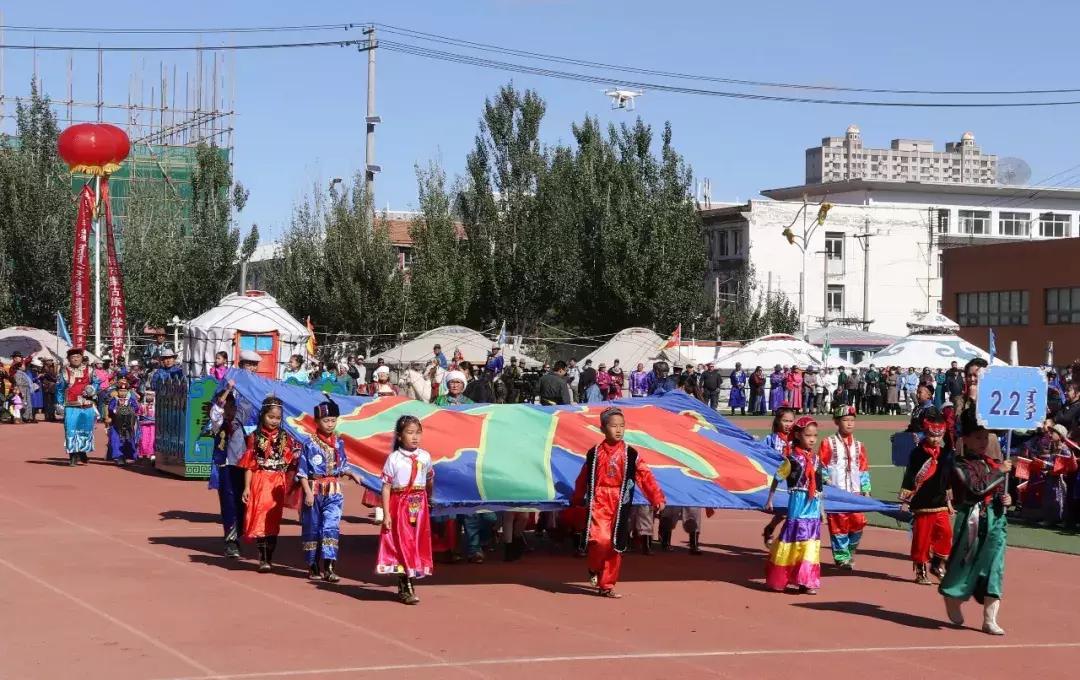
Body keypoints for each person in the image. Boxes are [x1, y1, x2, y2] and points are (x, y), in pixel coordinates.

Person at [571, 407, 665, 598]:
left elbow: (645, 476)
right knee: (599, 540)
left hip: (621, 503)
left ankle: (607, 585)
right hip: (599, 500)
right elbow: (583, 478)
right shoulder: (594, 453)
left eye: (622, 426)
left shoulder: (631, 455)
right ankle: (594, 567)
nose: (619, 430)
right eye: (614, 426)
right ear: (602, 428)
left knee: (615, 544)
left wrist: (656, 497)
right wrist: (578, 497)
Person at [939, 412, 1012, 635]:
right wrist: (999, 472)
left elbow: (999, 491)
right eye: (978, 438)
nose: (983, 442)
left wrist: (1008, 500)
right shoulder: (960, 464)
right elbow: (976, 488)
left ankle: (990, 618)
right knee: (965, 562)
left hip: (996, 520)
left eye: (986, 437)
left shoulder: (995, 463)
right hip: (972, 519)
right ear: (966, 440)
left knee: (995, 568)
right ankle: (953, 597)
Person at [296, 397, 364, 582]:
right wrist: (308, 493)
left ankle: (330, 567)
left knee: (331, 527)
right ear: (317, 422)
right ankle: (312, 565)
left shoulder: (339, 443)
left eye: (333, 420)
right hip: (314, 489)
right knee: (312, 528)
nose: (330, 424)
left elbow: (342, 466)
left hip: (333, 490)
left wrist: (352, 474)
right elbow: (302, 472)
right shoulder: (309, 444)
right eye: (326, 420)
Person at [376, 415, 435, 604]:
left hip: (419, 504)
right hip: (400, 504)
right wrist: (386, 514)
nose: (415, 437)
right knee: (403, 543)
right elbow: (386, 487)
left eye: (418, 432)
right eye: (410, 433)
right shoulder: (394, 458)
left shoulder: (425, 457)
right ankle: (405, 584)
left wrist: (429, 500)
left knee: (416, 543)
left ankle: (408, 579)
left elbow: (429, 480)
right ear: (400, 436)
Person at [764, 416, 824, 594]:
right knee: (793, 539)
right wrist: (770, 498)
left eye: (815, 435)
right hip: (798, 501)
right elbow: (777, 478)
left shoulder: (816, 460)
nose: (812, 439)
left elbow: (819, 487)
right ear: (798, 435)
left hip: (813, 504)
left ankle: (807, 580)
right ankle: (781, 577)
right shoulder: (791, 460)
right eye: (808, 435)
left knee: (811, 543)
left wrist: (822, 510)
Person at [239, 395, 298, 573]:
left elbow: (290, 461)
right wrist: (246, 487)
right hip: (260, 479)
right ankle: (263, 558)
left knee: (273, 519)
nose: (274, 421)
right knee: (260, 518)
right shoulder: (254, 437)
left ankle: (268, 557)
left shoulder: (285, 437)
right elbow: (249, 465)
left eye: (277, 418)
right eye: (270, 417)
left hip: (277, 482)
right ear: (263, 415)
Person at [900, 408, 954, 585]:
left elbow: (947, 479)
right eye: (932, 435)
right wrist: (905, 501)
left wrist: (949, 501)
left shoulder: (946, 453)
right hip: (922, 503)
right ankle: (921, 568)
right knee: (922, 538)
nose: (936, 439)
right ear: (925, 433)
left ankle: (938, 563)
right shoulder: (918, 453)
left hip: (940, 503)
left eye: (939, 436)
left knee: (946, 533)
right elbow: (910, 476)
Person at [205, 380, 255, 558]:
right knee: (229, 504)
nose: (229, 411)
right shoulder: (219, 424)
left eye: (232, 407)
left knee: (243, 504)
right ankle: (230, 541)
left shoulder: (242, 423)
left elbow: (251, 404)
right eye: (226, 407)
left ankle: (238, 535)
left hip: (242, 468)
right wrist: (227, 391)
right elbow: (216, 411)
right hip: (225, 467)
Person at [819, 405, 870, 569]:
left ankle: (848, 550)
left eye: (852, 420)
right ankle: (841, 557)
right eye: (845, 420)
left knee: (859, 523)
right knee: (839, 525)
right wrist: (827, 482)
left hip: (855, 493)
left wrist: (866, 490)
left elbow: (863, 468)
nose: (849, 423)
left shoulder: (859, 445)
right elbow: (822, 466)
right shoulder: (828, 443)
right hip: (837, 491)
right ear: (836, 421)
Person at [57, 348, 100, 466]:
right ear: (68, 359)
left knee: (86, 429)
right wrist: (59, 403)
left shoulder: (90, 370)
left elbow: (97, 382)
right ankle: (72, 456)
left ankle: (82, 452)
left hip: (87, 404)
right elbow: (60, 388)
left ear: (82, 358)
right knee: (70, 429)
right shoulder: (64, 371)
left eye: (77, 356)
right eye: (72, 357)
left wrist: (92, 389)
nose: (75, 359)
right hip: (71, 405)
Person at [761, 407, 797, 546]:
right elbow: (760, 452)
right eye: (785, 421)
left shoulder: (796, 438)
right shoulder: (771, 439)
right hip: (776, 480)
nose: (788, 424)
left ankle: (773, 531)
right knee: (783, 510)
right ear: (778, 421)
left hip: (792, 480)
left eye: (791, 421)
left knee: (790, 510)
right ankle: (773, 531)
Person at [105, 378, 141, 466]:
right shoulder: (115, 399)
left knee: (128, 440)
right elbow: (110, 407)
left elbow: (136, 407)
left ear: (127, 391)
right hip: (116, 424)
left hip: (128, 424)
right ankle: (119, 456)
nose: (122, 393)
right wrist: (114, 410)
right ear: (117, 391)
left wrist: (130, 409)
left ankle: (128, 456)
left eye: (124, 391)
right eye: (120, 391)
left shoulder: (131, 399)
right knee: (116, 440)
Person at [138, 391, 157, 462]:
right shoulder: (142, 406)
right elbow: (139, 414)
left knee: (152, 439)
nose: (150, 397)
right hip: (144, 425)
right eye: (148, 395)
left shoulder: (156, 406)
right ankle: (144, 453)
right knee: (143, 439)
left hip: (153, 425)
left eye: (151, 395)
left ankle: (151, 453)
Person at [40, 358, 59, 423]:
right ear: (46, 361)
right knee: (48, 402)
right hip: (47, 387)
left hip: (52, 387)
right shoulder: (44, 368)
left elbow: (55, 375)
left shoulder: (53, 367)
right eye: (49, 360)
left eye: (51, 360)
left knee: (52, 402)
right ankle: (48, 416)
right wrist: (55, 379)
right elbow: (49, 376)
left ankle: (52, 415)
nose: (51, 361)